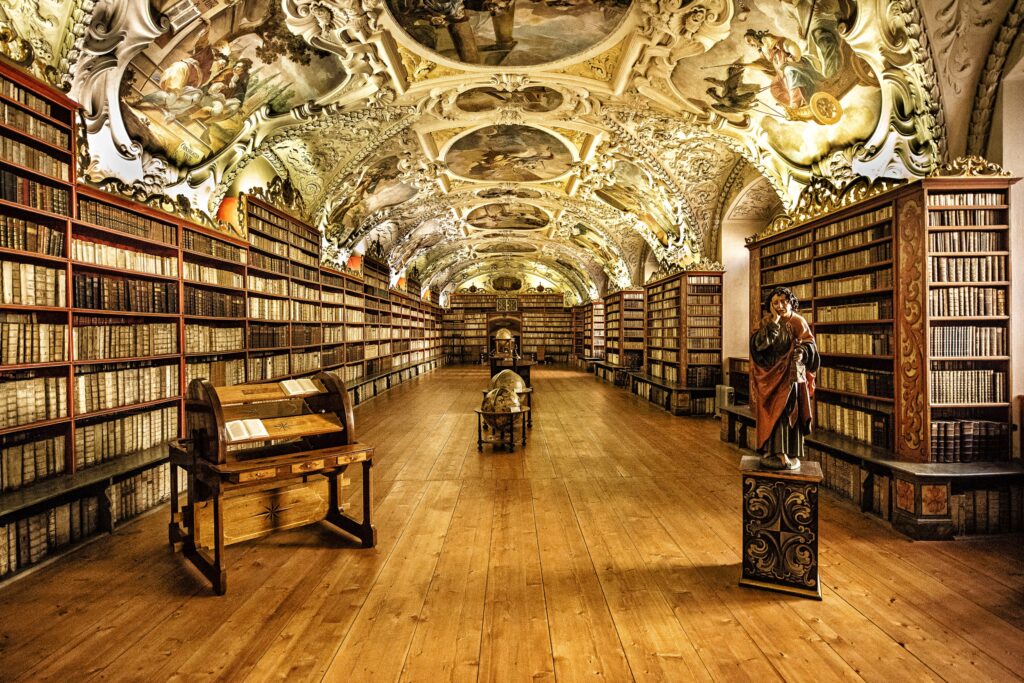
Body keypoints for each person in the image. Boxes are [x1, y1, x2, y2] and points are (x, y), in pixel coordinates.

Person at [749, 286, 819, 470]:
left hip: (790, 376)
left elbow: (810, 344)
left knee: (786, 412)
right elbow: (758, 346)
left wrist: (802, 353)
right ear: (770, 306)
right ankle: (770, 450)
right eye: (775, 303)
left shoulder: (798, 321)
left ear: (790, 301)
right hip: (770, 375)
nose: (780, 305)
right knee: (770, 411)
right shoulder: (766, 322)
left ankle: (784, 452)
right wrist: (775, 321)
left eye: (783, 301)